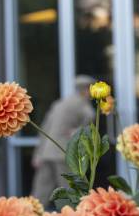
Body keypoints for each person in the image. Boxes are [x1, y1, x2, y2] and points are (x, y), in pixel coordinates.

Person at [31, 75, 95, 207]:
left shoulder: (59, 104)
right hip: (64, 153)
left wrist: (38, 154)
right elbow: (91, 120)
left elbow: (45, 129)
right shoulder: (82, 104)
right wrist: (78, 130)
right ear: (86, 90)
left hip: (47, 153)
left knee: (40, 193)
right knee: (71, 193)